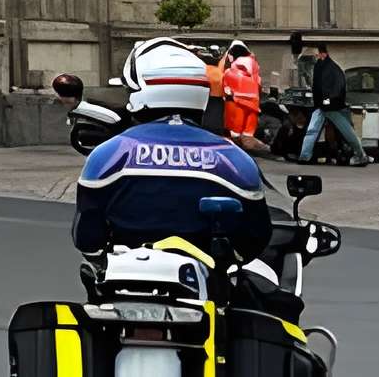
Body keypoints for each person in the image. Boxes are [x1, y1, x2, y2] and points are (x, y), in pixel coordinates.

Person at [75, 36, 270, 265]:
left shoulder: (108, 154)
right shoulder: (234, 158)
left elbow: (87, 237)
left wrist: (104, 262)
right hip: (207, 282)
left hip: (123, 277)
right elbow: (256, 237)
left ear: (140, 89)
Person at [293, 41, 364, 167]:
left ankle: (305, 156)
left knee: (316, 130)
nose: (314, 57)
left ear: (322, 54)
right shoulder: (327, 67)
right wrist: (324, 102)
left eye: (315, 55)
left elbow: (334, 90)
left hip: (329, 106)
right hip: (328, 106)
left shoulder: (327, 69)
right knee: (345, 131)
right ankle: (360, 155)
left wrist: (324, 101)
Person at [221, 40, 263, 144]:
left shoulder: (229, 72)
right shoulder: (255, 70)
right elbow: (259, 86)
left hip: (237, 103)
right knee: (248, 133)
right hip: (253, 103)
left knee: (235, 132)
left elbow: (226, 91)